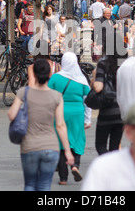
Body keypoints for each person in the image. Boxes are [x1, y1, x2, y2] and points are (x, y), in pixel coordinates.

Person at [8, 58, 74, 191]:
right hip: (51, 146)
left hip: (29, 146)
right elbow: (60, 125)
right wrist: (67, 151)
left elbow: (11, 115)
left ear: (34, 74)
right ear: (50, 74)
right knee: (44, 185)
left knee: (30, 184)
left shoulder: (24, 92)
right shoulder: (56, 96)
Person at [48, 52, 90, 185]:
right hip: (77, 113)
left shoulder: (55, 78)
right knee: (76, 140)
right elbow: (87, 100)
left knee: (61, 142)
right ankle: (75, 166)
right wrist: (87, 119)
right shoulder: (81, 79)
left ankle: (63, 178)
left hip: (59, 112)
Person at [91, 35, 125, 155]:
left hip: (107, 109)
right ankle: (112, 168)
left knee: (100, 144)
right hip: (122, 111)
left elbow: (98, 86)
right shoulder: (125, 64)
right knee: (115, 146)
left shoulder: (103, 64)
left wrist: (94, 81)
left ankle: (106, 164)